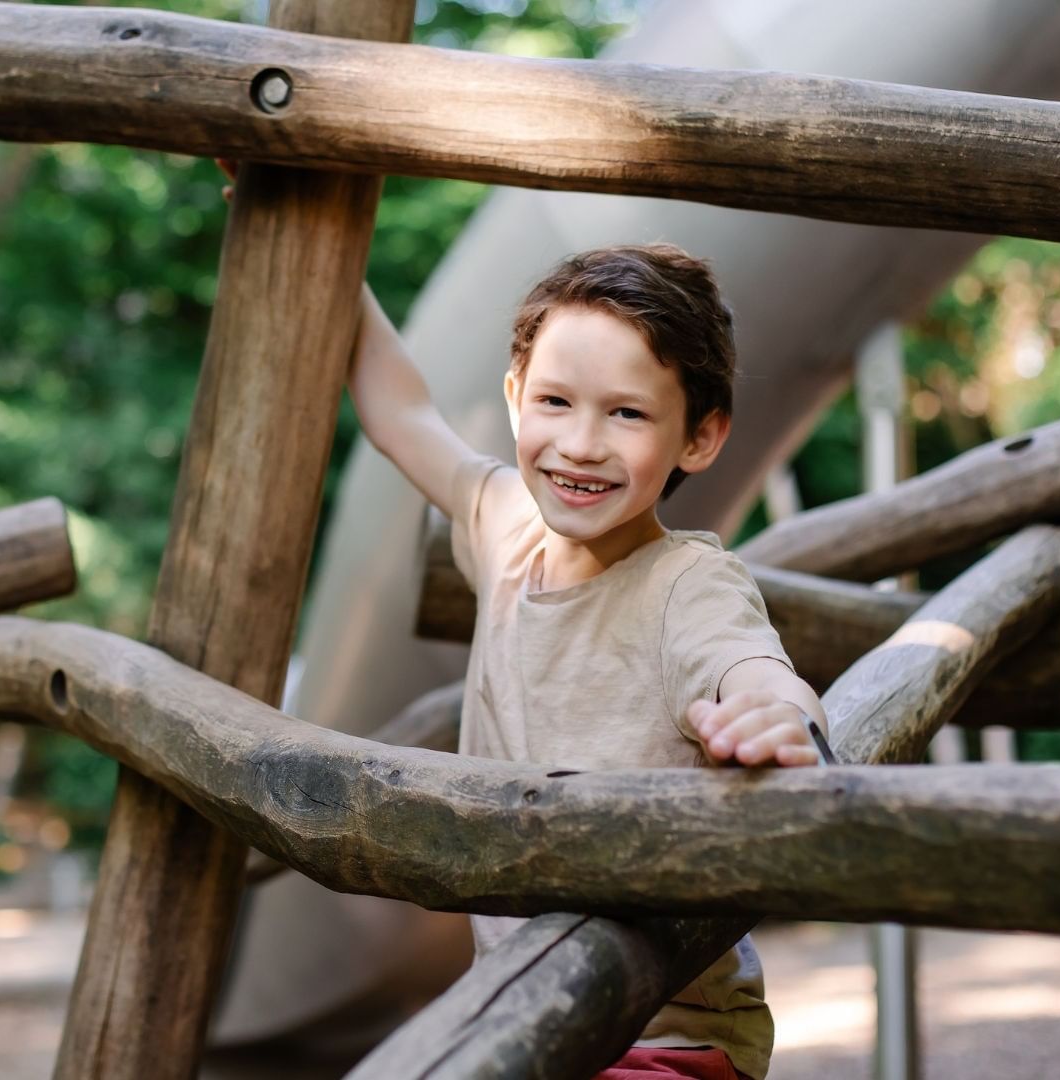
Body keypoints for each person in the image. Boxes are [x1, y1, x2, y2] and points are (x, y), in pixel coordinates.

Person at [347, 243, 828, 1080]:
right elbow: (401, 415)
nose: (580, 443)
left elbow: (751, 667)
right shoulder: (505, 529)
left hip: (665, 1033)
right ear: (514, 398)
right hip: (529, 1007)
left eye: (627, 414)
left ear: (701, 435)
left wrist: (781, 715)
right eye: (555, 401)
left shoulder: (686, 585)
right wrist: (328, 254)